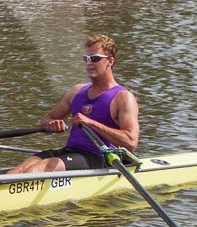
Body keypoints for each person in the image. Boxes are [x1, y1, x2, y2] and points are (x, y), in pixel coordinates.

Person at [12, 36, 141, 174]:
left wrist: (91, 123)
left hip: (97, 158)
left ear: (110, 61)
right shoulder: (76, 91)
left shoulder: (123, 97)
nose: (89, 63)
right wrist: (52, 124)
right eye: (86, 58)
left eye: (95, 58)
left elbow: (131, 142)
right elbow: (46, 119)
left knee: (38, 168)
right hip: (70, 152)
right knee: (18, 171)